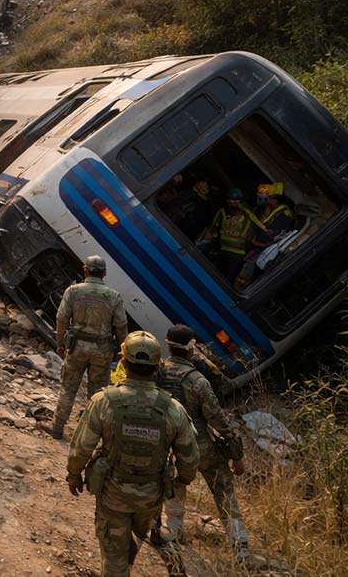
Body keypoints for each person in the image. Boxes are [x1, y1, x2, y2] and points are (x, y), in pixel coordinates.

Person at [67, 331, 199, 577]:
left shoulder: (104, 400)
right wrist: (182, 480)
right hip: (151, 497)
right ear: (157, 367)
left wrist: (73, 474)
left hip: (113, 494)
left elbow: (82, 446)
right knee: (136, 537)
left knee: (114, 555)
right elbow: (190, 458)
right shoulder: (173, 409)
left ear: (124, 363)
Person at [154, 325, 253, 565]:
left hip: (166, 444)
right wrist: (236, 454)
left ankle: (174, 531)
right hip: (199, 445)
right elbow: (216, 419)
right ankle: (240, 549)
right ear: (191, 349)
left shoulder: (157, 372)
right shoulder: (198, 381)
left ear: (168, 345)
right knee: (224, 489)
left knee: (174, 484)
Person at [40, 255, 128, 440]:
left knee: (68, 387)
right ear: (104, 273)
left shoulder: (73, 291)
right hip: (102, 350)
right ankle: (89, 434)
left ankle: (57, 427)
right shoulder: (114, 296)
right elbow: (121, 326)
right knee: (97, 392)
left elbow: (61, 318)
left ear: (85, 270)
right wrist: (123, 352)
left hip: (77, 347)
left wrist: (60, 344)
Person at [237, 182, 293, 286]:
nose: (261, 199)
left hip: (263, 253)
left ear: (274, 200)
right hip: (253, 247)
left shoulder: (284, 214)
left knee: (246, 276)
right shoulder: (264, 209)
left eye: (265, 198)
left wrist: (258, 243)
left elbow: (275, 238)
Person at [205, 189, 264, 280]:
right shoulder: (222, 212)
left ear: (241, 202)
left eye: (236, 200)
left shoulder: (248, 215)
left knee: (227, 279)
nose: (232, 202)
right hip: (222, 250)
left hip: (238, 253)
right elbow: (213, 228)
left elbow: (252, 234)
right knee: (215, 274)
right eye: (230, 200)